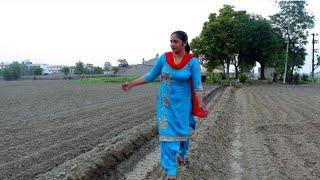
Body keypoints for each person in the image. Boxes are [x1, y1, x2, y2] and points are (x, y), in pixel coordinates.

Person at [121, 30, 207, 180]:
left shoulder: (192, 62)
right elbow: (150, 76)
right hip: (165, 105)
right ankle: (171, 171)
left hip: (182, 106)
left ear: (184, 43)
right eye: (171, 41)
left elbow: (197, 86)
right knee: (167, 137)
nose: (172, 44)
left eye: (176, 41)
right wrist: (131, 84)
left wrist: (200, 104)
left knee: (181, 134)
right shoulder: (164, 58)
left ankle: (182, 154)